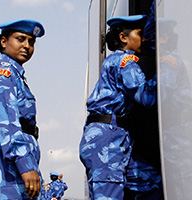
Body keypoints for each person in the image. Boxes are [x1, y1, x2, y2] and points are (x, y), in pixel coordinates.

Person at [79, 15, 158, 200]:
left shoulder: (116, 60)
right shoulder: (125, 61)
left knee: (151, 182)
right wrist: (164, 71)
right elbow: (146, 97)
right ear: (123, 37)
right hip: (107, 139)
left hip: (116, 137)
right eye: (140, 34)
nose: (144, 39)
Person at [0, 19, 45, 200]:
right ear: (3, 42)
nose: (27, 46)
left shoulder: (15, 74)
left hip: (14, 155)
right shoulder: (1, 72)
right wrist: (25, 164)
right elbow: (5, 121)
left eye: (31, 42)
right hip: (5, 158)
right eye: (20, 39)